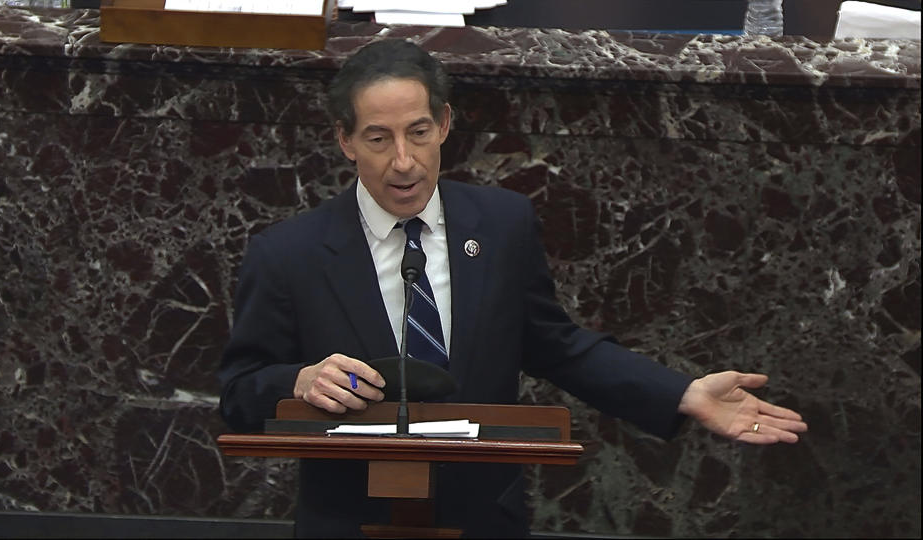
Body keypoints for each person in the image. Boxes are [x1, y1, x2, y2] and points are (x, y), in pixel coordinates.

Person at [218, 38, 808, 538]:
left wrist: (681, 394)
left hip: (481, 515)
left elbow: (556, 345)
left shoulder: (501, 225)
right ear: (345, 141)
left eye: (419, 132)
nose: (404, 161)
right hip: (351, 519)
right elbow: (240, 390)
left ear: (444, 124)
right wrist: (298, 380)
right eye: (378, 139)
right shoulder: (289, 253)